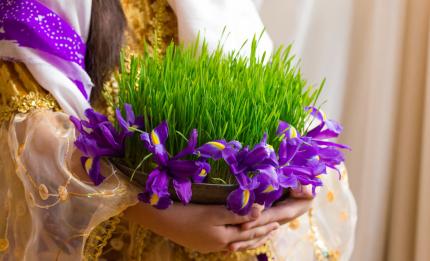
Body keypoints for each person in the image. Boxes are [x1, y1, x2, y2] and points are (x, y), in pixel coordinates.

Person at [0, 0, 357, 260]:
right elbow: (33, 129)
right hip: (112, 244)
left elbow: (277, 104)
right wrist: (154, 213)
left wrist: (292, 190)